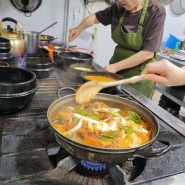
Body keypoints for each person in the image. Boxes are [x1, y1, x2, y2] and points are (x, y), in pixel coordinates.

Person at [68, 0, 166, 98]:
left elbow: (148, 53)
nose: (119, 0)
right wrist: (79, 28)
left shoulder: (156, 11)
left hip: (139, 75)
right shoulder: (118, 7)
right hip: (116, 66)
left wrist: (116, 67)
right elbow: (96, 17)